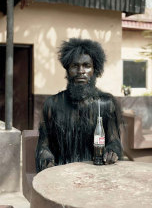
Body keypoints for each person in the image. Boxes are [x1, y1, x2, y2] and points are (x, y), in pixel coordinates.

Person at [36, 38, 123, 172]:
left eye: (86, 65)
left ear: (95, 69)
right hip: (62, 173)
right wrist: (46, 158)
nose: (80, 71)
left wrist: (112, 151)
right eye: (75, 66)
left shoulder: (106, 103)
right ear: (68, 70)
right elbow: (44, 145)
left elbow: (114, 141)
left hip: (98, 172)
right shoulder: (52, 104)